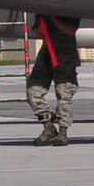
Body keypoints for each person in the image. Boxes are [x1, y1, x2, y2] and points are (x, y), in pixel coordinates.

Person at [24, 12, 80, 146]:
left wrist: (54, 18)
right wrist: (44, 20)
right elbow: (38, 33)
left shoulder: (69, 9)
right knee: (33, 92)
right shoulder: (42, 11)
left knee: (63, 95)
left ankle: (63, 132)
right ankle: (48, 126)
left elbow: (71, 30)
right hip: (47, 54)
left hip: (65, 56)